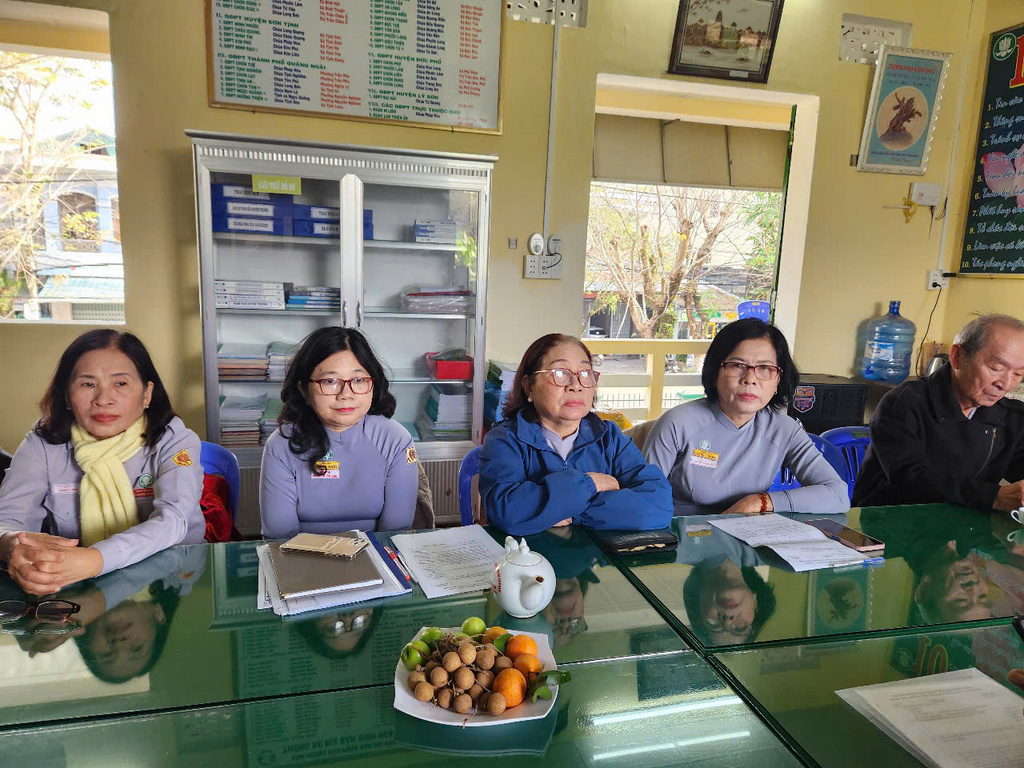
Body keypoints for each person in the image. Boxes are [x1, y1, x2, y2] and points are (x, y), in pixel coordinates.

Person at [0, 330, 204, 595]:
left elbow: (174, 519)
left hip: (167, 581)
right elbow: (8, 520)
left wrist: (95, 560)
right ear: (67, 396)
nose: (103, 400)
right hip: (70, 586)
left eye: (120, 383)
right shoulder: (42, 443)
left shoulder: (174, 440)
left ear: (147, 394)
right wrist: (13, 545)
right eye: (88, 384)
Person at [643, 318, 849, 516]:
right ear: (715, 373)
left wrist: (760, 502)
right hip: (680, 534)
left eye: (765, 368)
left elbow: (838, 495)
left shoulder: (785, 430)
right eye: (737, 365)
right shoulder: (678, 423)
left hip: (744, 535)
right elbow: (643, 500)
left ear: (777, 380)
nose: (750, 379)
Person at [479, 333, 673, 536]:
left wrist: (569, 512)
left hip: (593, 555)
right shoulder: (504, 440)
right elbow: (508, 512)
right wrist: (590, 483)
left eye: (585, 373)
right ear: (529, 386)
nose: (576, 385)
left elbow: (659, 505)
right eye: (560, 373)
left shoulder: (609, 438)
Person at [852, 314, 1024, 510]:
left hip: (964, 521)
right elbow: (910, 478)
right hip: (890, 518)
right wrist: (993, 497)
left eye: (1018, 374)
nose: (1006, 384)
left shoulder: (1011, 416)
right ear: (957, 357)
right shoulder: (904, 403)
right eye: (996, 368)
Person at [260, 327, 418, 538]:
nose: (346, 394)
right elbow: (279, 537)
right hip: (300, 555)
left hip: (375, 553)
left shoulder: (396, 441)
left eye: (358, 380)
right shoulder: (281, 445)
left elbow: (395, 533)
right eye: (330, 381)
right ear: (304, 390)